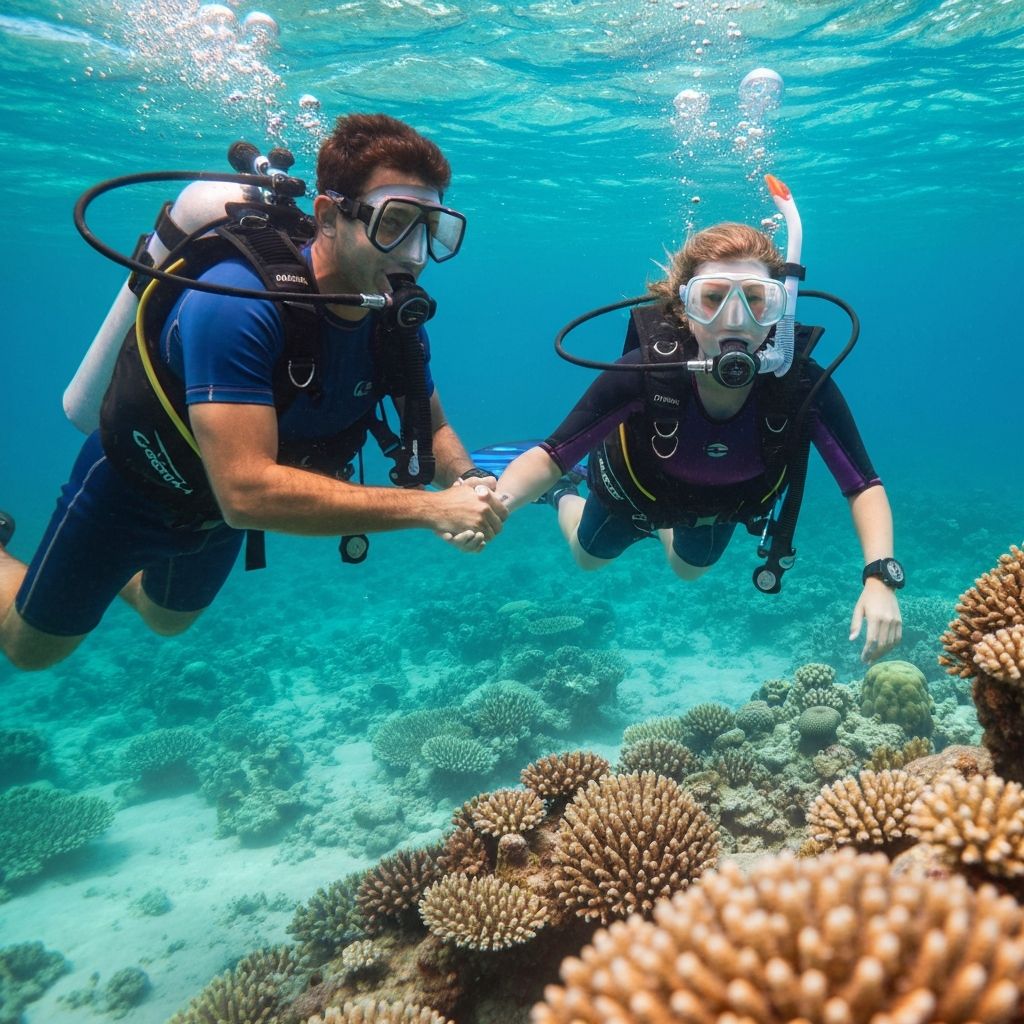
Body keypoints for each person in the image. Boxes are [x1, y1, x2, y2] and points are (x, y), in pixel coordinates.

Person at [0, 113, 506, 671]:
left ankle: (108, 574)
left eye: (431, 229)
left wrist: (470, 483)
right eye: (395, 222)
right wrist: (434, 510)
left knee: (166, 618)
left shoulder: (394, 318)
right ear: (328, 216)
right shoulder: (236, 304)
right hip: (134, 487)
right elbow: (246, 491)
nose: (414, 254)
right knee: (31, 651)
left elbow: (429, 427)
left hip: (213, 513)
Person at [487, 222, 902, 663]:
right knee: (589, 558)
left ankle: (665, 526)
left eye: (756, 299)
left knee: (688, 572)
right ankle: (565, 494)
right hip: (633, 492)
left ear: (780, 309)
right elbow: (552, 454)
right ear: (685, 307)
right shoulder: (647, 370)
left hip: (716, 508)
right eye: (714, 297)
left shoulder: (801, 385)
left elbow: (863, 485)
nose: (736, 318)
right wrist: (495, 504)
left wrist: (879, 578)